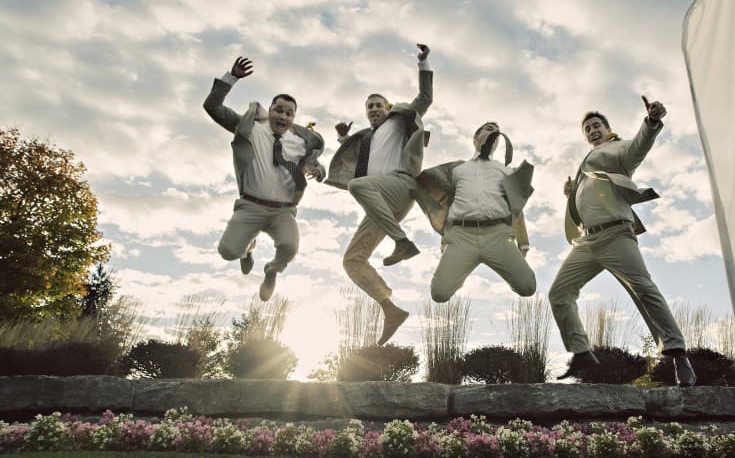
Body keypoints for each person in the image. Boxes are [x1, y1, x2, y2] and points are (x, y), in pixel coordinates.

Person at [548, 96, 696, 386]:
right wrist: (571, 193)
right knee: (559, 293)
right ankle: (581, 353)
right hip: (587, 243)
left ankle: (678, 355)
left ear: (607, 129)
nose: (592, 130)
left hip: (616, 235)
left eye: (597, 126)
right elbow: (590, 198)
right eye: (587, 128)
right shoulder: (585, 166)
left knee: (644, 288)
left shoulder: (617, 149)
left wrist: (651, 123)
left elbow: (637, 149)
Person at [325, 43, 433, 345]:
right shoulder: (365, 139)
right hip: (379, 202)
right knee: (352, 260)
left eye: (378, 105)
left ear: (388, 108)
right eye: (369, 107)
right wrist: (344, 138)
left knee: (357, 187)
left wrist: (423, 65)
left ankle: (402, 243)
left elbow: (425, 99)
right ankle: (390, 308)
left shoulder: (399, 121)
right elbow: (355, 163)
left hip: (400, 186)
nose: (373, 109)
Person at [204, 56, 325, 301]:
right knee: (227, 251)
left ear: (294, 118)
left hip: (283, 211)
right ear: (269, 111)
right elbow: (213, 107)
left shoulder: (302, 142)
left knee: (290, 248)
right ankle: (248, 248)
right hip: (250, 206)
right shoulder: (250, 128)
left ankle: (272, 270)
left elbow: (317, 165)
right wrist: (232, 76)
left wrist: (318, 171)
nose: (283, 116)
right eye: (279, 110)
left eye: (289, 113)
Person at [416, 122, 536, 302]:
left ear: (497, 143)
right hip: (462, 236)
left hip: (497, 235)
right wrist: (445, 237)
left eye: (497, 133)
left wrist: (523, 242)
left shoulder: (505, 170)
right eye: (488, 129)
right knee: (439, 294)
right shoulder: (457, 170)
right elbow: (447, 204)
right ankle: (462, 269)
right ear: (475, 137)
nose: (494, 134)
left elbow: (516, 205)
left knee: (528, 287)